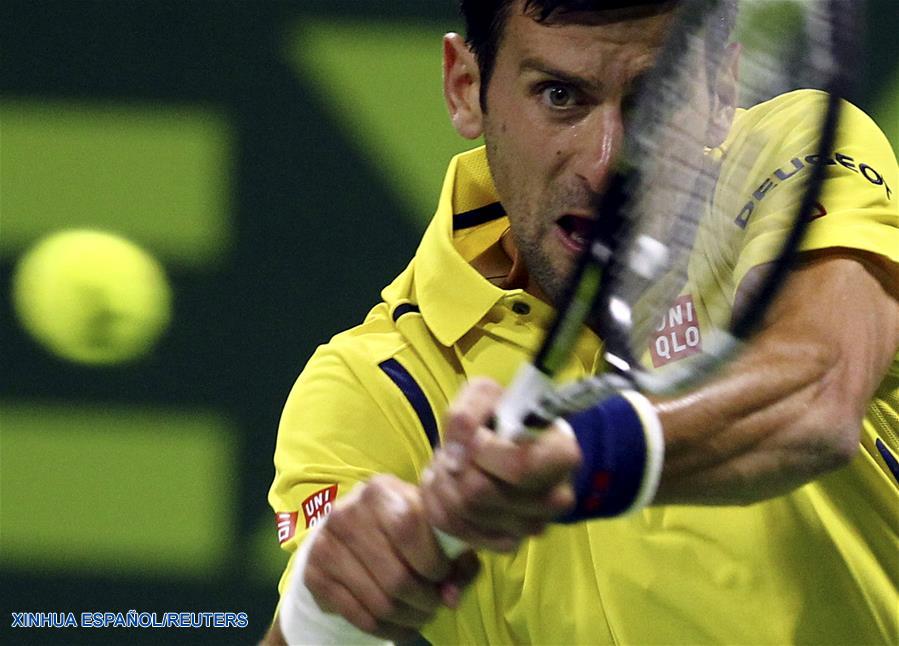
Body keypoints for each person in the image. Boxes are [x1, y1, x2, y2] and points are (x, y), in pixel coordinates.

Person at [264, 1, 899, 643]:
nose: (605, 165)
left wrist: (581, 459)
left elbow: (816, 386)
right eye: (560, 95)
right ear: (466, 87)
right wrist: (327, 611)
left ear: (720, 89)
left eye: (655, 95)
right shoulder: (378, 389)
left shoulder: (792, 154)